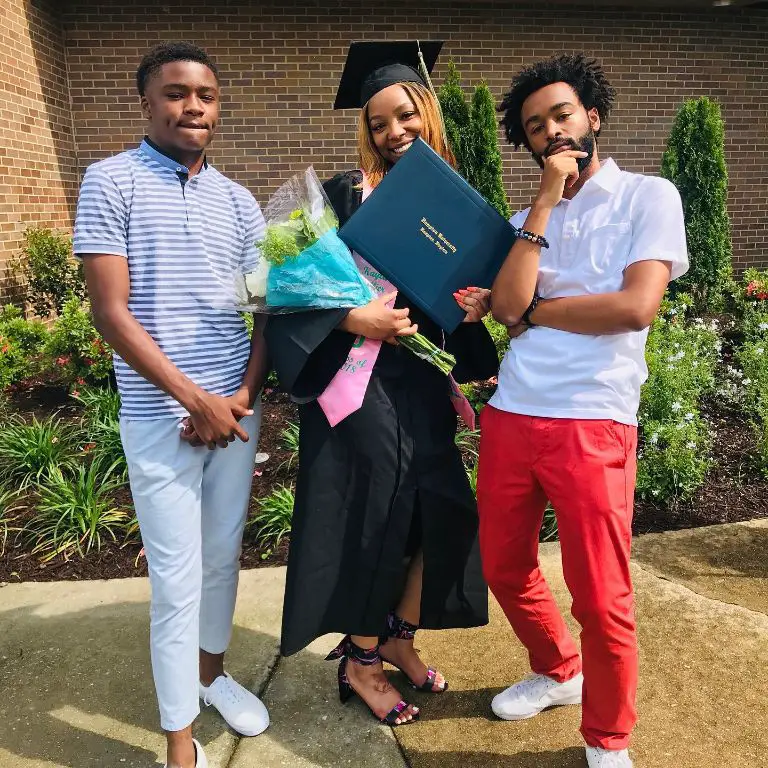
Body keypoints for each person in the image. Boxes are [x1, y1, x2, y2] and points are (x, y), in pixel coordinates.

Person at [265, 41, 498, 727]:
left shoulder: (457, 203)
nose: (393, 133)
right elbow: (283, 289)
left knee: (443, 514)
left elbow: (465, 304)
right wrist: (351, 316)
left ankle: (398, 636)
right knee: (378, 514)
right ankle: (361, 659)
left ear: (427, 114)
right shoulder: (342, 195)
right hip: (358, 383)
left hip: (421, 380)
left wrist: (479, 304)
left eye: (405, 116)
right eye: (378, 123)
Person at [477, 53, 689, 768]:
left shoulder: (648, 197)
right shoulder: (524, 216)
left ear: (592, 116)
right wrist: (542, 202)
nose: (552, 131)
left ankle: (607, 738)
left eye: (562, 115)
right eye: (536, 127)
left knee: (601, 596)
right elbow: (505, 309)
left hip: (594, 420)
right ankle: (558, 669)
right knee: (504, 566)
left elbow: (635, 307)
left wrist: (539, 310)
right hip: (513, 412)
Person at [73, 42, 270, 768]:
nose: (195, 107)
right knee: (176, 577)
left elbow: (267, 311)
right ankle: (178, 741)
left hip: (233, 414)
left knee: (222, 558)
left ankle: (211, 677)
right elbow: (110, 312)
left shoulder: (239, 200)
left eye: (207, 95)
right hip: (162, 418)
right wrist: (193, 398)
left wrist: (240, 397)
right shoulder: (110, 181)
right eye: (177, 93)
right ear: (146, 102)